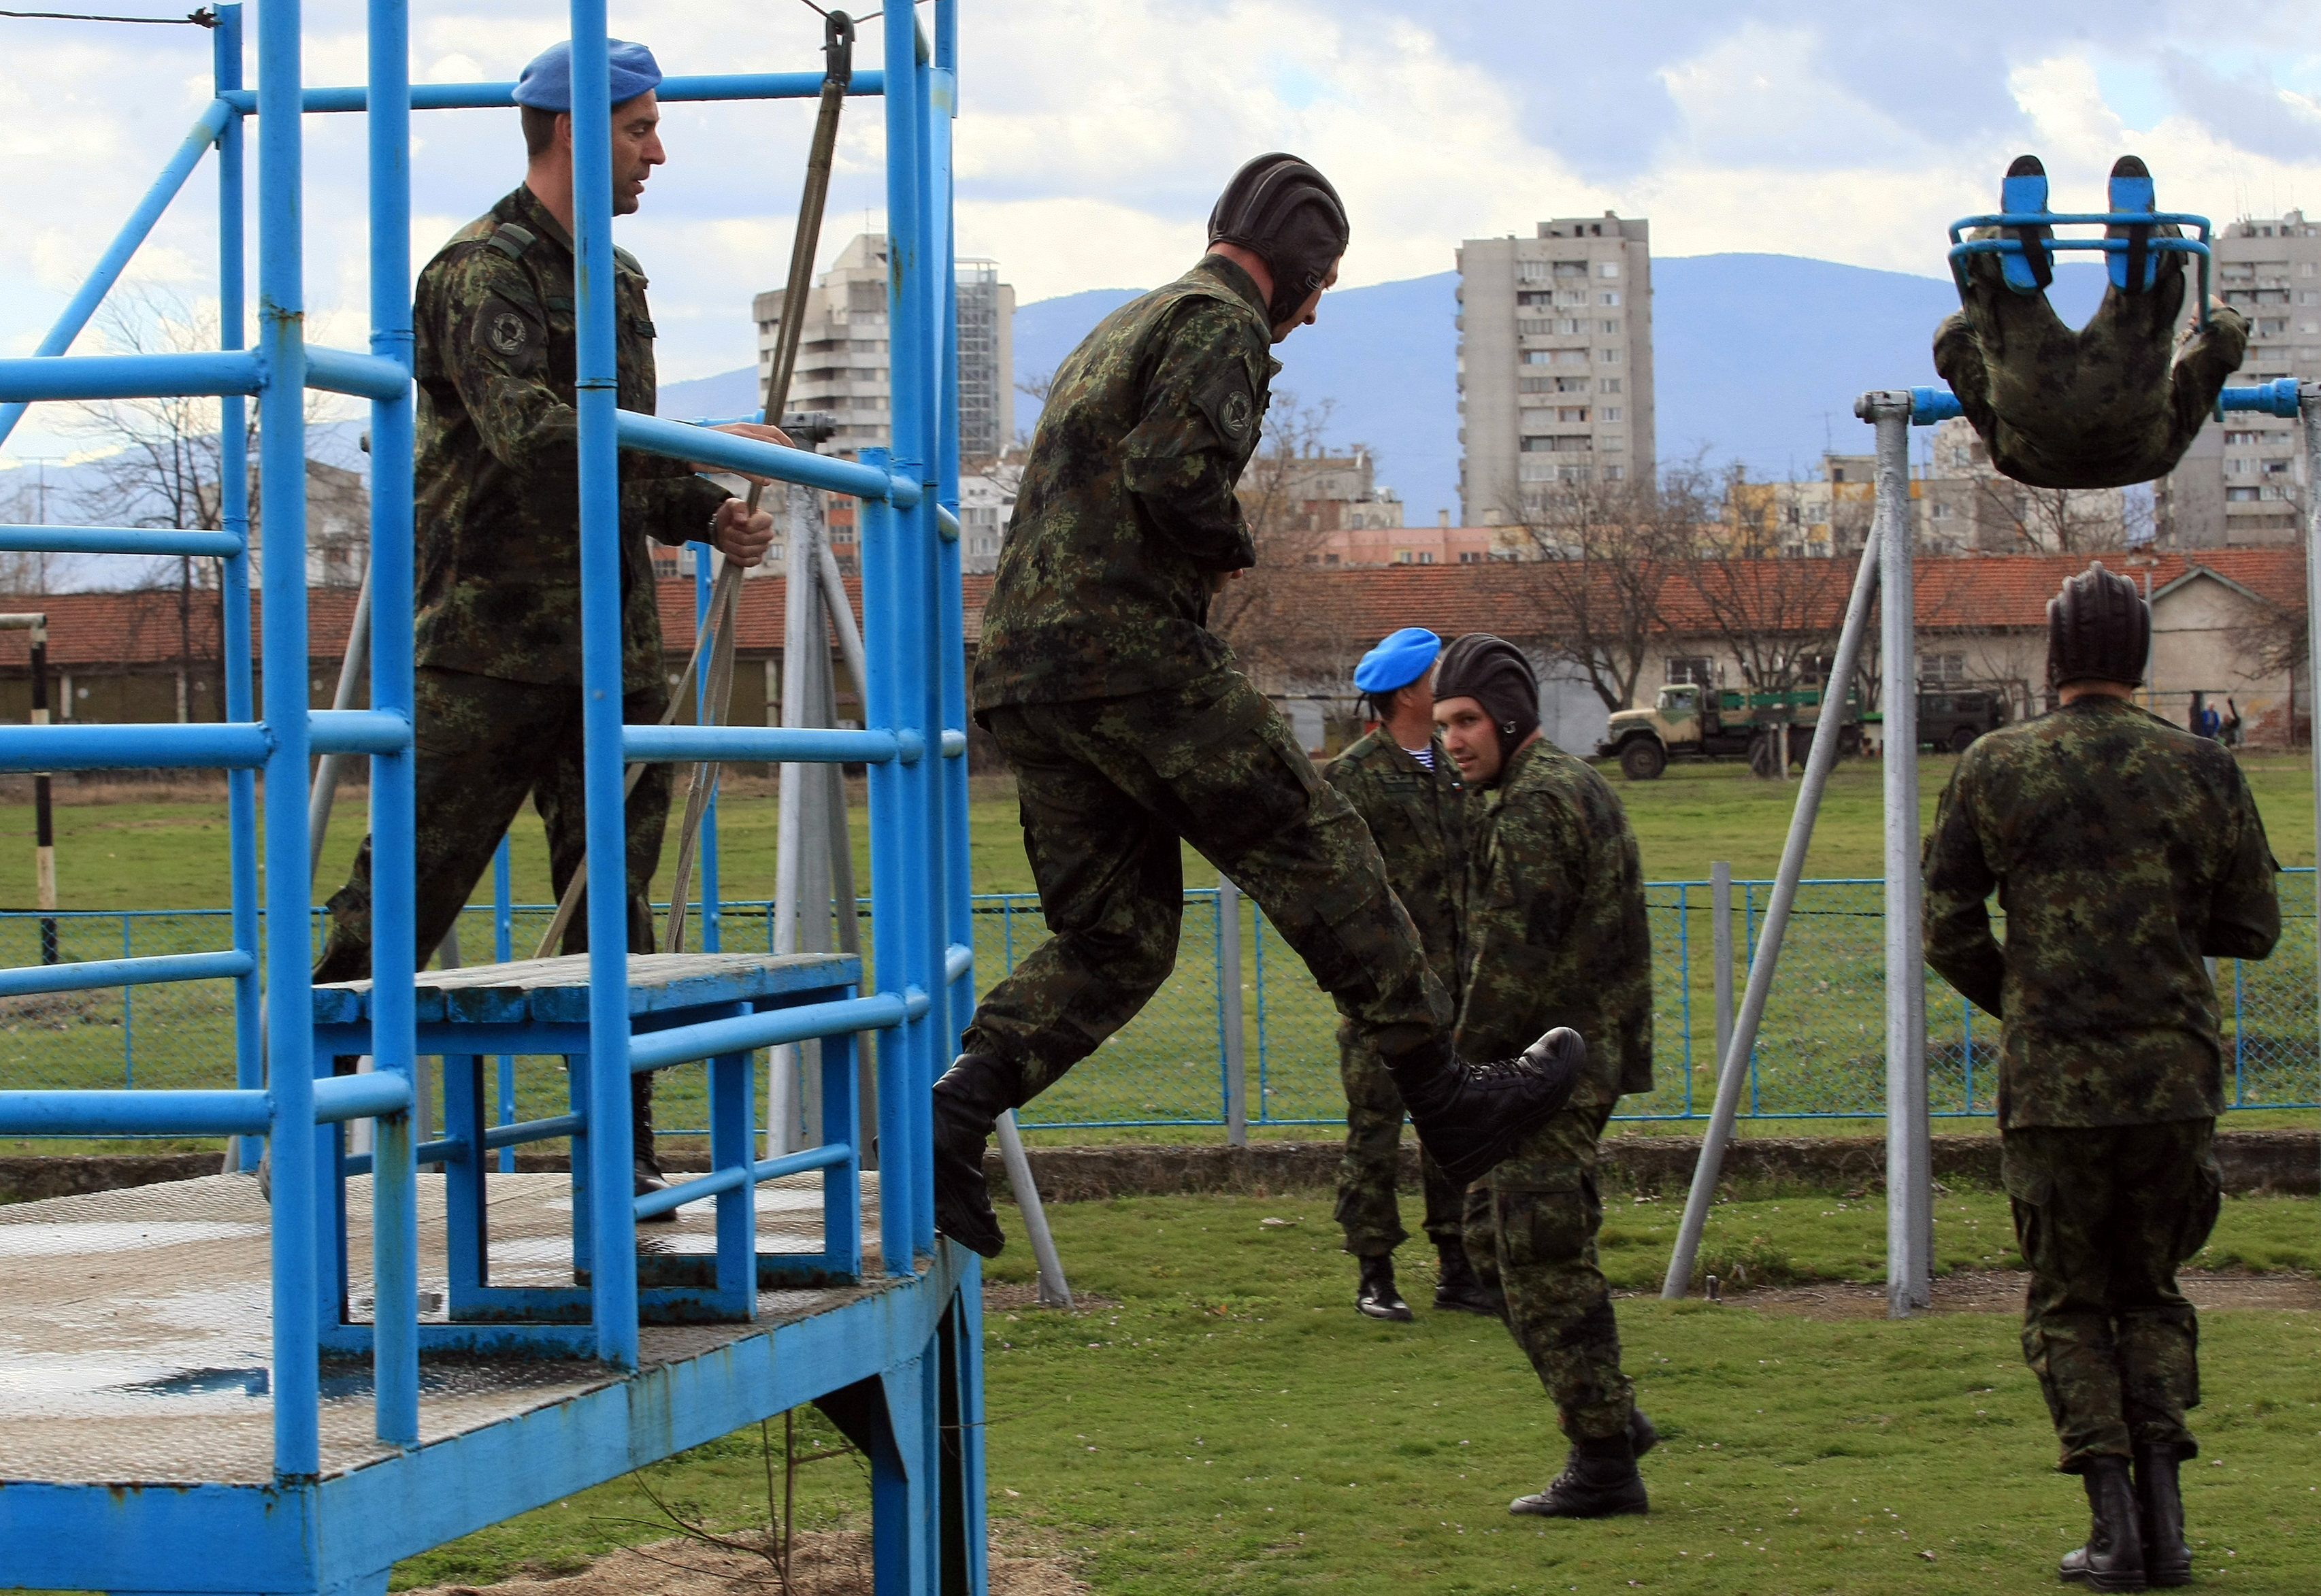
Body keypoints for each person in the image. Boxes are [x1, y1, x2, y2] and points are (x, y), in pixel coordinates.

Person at [932, 154, 1583, 1259]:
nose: (1316, 311)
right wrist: (1227, 544)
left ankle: (947, 1119)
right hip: (1128, 660)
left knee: (1117, 937)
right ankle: (1448, 1098)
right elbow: (1173, 473)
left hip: (1024, 675)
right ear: (1291, 263)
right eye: (1320, 282)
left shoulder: (1127, 322)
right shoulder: (1224, 322)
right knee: (1319, 839)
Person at [308, 37, 784, 1203]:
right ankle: (303, 1135)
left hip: (607, 647)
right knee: (403, 898)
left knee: (616, 923)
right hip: (490, 644)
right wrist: (704, 454)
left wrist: (706, 508)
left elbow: (629, 460)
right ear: (572, 130)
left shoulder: (616, 282)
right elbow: (536, 442)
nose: (656, 153)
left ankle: (618, 1171)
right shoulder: (483, 272)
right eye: (639, 130)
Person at [1923, 562, 2280, 1591]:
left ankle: (2110, 1523)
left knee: (2068, 1301)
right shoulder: (2200, 768)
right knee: (2151, 1291)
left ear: (2048, 656)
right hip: (2172, 1076)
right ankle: (2167, 1524)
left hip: (2051, 1086)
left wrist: (2031, 999)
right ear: (2138, 657)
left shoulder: (1994, 766)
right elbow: (2251, 926)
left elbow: (1945, 925)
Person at [1432, 634, 1658, 1520]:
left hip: (1549, 1064)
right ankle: (1611, 1417)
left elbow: (1506, 962)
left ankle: (1602, 1460)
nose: (1451, 739)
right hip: (1569, 1055)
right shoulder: (1556, 784)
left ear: (1509, 716)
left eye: (1466, 720)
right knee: (1493, 1235)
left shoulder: (1532, 806)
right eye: (1443, 722)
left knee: (1534, 1248)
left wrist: (1452, 1079)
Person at [1324, 627, 1495, 1321]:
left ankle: (1459, 1268)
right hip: (1383, 992)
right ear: (1408, 692)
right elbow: (1329, 886)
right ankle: (1375, 1274)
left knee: (1456, 1129)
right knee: (1374, 1130)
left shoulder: (1461, 767)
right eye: (1437, 677)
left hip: (1460, 984)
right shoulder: (1352, 777)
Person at [1934, 156, 2248, 491]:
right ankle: (2002, 259)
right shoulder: (2011, 460)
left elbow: (2218, 353)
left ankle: (2145, 250)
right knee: (1998, 299)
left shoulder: (2162, 455)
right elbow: (1952, 346)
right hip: (2037, 412)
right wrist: (1975, 315)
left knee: (2149, 308)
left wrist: (2217, 317)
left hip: (2126, 405)